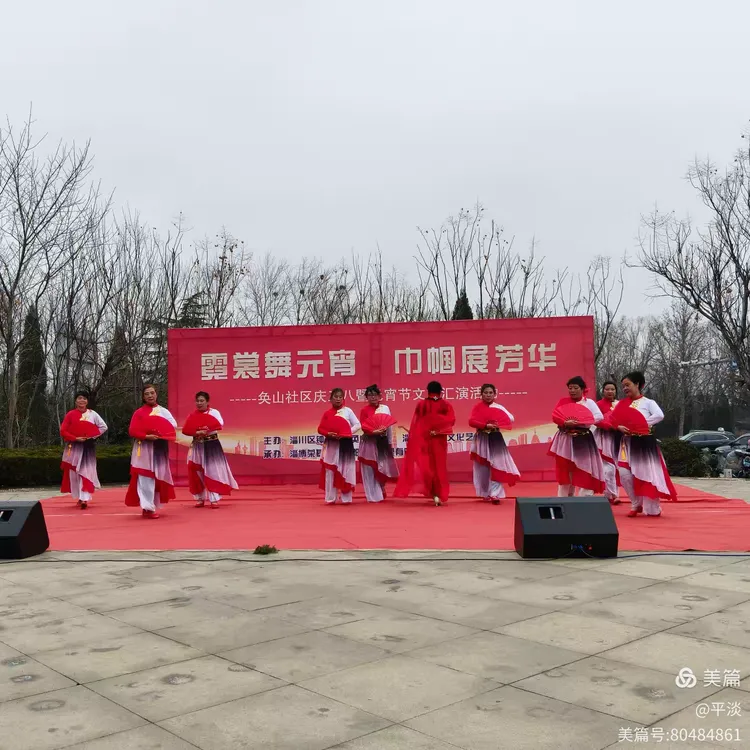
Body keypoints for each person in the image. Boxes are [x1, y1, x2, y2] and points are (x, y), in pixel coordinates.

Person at [616, 371, 677, 517]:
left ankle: (652, 506)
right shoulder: (622, 404)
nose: (625, 388)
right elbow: (613, 419)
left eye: (627, 385)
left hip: (644, 442)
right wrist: (618, 426)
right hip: (627, 442)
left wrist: (641, 423)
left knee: (646, 475)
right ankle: (635, 503)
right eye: (623, 386)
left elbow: (659, 415)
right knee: (624, 473)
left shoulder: (648, 403)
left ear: (637, 384)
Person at [395, 380, 456, 506]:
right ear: (441, 391)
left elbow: (416, 423)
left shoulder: (422, 404)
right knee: (439, 467)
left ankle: (433, 493)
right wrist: (438, 430)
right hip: (438, 440)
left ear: (428, 391)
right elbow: (451, 421)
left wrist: (417, 436)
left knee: (427, 467)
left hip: (424, 439)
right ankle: (439, 493)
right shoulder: (445, 404)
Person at [125, 384, 177, 519]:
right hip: (143, 448)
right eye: (147, 394)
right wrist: (146, 436)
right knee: (145, 476)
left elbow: (173, 425)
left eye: (152, 393)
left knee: (158, 476)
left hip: (159, 448)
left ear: (156, 394)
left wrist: (160, 431)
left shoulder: (163, 411)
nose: (150, 396)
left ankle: (152, 505)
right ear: (143, 397)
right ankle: (148, 507)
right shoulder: (139, 413)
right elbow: (132, 430)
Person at [549, 376, 606, 497]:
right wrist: (565, 422)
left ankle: (584, 499)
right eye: (570, 388)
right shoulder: (563, 401)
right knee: (565, 468)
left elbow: (599, 416)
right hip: (565, 438)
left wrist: (582, 421)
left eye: (575, 388)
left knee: (585, 468)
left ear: (583, 389)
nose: (572, 391)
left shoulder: (589, 403)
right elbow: (555, 416)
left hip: (583, 439)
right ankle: (564, 499)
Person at [182, 391, 238, 508]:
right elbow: (186, 430)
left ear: (207, 402)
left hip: (212, 444)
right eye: (197, 401)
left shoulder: (214, 412)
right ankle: (200, 498)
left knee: (213, 471)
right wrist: (197, 432)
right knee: (196, 470)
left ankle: (214, 498)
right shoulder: (192, 416)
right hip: (197, 445)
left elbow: (219, 424)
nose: (199, 403)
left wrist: (206, 430)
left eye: (202, 401)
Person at [469, 384, 521, 504]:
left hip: (495, 438)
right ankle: (485, 492)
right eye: (486, 393)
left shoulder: (498, 407)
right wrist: (485, 425)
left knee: (497, 465)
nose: (488, 395)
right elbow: (471, 421)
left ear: (494, 394)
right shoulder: (477, 407)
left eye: (490, 393)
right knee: (482, 467)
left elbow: (510, 418)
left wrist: (496, 423)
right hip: (481, 438)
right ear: (481, 394)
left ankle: (495, 494)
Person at [59, 391, 108, 510]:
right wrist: (75, 438)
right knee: (75, 472)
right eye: (79, 398)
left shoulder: (93, 414)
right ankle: (80, 497)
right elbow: (63, 430)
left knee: (86, 471)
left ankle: (85, 498)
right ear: (75, 401)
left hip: (88, 447)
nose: (82, 400)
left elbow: (103, 427)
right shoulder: (70, 414)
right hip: (73, 446)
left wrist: (92, 436)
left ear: (87, 401)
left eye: (84, 398)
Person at [318, 388, 361, 504]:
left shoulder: (348, 411)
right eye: (335, 397)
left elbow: (358, 425)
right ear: (331, 399)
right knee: (330, 470)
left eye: (340, 397)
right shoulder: (327, 413)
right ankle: (330, 498)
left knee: (346, 469)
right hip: (331, 444)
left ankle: (346, 498)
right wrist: (328, 434)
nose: (338, 399)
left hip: (345, 444)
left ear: (343, 399)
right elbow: (320, 429)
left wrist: (346, 432)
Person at [358, 384, 399, 502]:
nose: (373, 397)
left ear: (379, 396)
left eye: (375, 395)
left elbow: (389, 426)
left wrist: (389, 442)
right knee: (369, 469)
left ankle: (381, 488)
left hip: (382, 442)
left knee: (382, 468)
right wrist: (373, 431)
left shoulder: (385, 408)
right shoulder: (364, 410)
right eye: (370, 395)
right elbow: (364, 426)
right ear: (366, 397)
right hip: (369, 442)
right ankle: (372, 496)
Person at [596, 380, 621, 505]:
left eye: (612, 389)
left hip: (619, 437)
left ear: (616, 391)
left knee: (618, 467)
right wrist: (608, 425)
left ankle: (612, 494)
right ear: (603, 391)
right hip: (604, 437)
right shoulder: (598, 404)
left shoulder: (620, 404)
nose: (610, 391)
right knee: (608, 467)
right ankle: (612, 494)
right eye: (607, 389)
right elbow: (595, 420)